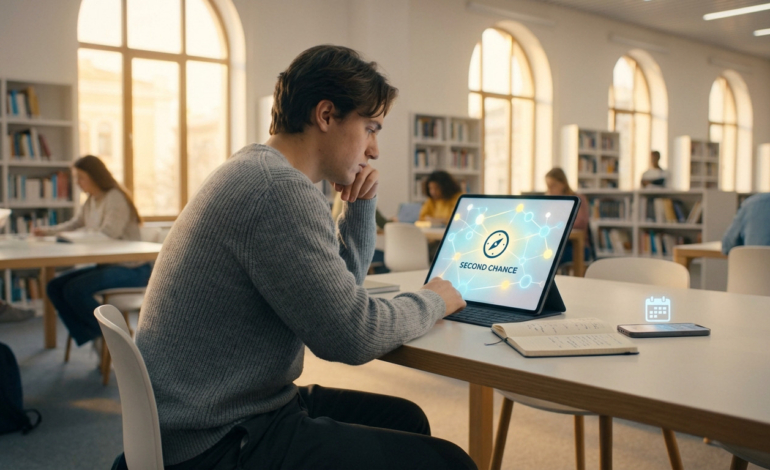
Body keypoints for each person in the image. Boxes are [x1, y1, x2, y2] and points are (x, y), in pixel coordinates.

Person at [129, 45, 473, 470]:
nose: (375, 150)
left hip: (217, 412)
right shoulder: (276, 190)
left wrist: (359, 208)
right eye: (371, 128)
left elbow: (338, 294)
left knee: (407, 419)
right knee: (452, 463)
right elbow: (351, 336)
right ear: (326, 115)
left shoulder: (257, 171)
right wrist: (435, 299)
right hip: (218, 439)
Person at [32, 155, 150, 350]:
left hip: (133, 269)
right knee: (54, 286)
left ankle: (114, 338)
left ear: (95, 176)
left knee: (75, 290)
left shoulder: (115, 197)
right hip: (108, 266)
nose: (77, 183)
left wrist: (79, 237)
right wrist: (47, 231)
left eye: (81, 178)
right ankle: (99, 336)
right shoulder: (91, 200)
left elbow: (109, 234)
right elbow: (76, 224)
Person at [545, 167, 591, 265]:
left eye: (553, 185)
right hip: (555, 244)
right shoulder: (551, 202)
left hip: (575, 246)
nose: (550, 189)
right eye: (548, 186)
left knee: (550, 257)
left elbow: (579, 223)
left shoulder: (577, 199)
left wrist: (556, 223)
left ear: (563, 184)